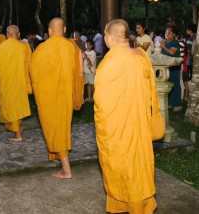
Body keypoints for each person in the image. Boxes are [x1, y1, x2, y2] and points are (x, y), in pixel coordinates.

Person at [94, 19, 159, 213]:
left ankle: (131, 205)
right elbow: (151, 90)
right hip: (140, 122)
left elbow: (101, 101)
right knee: (139, 165)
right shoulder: (140, 55)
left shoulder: (110, 62)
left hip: (119, 126)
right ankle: (131, 205)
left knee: (123, 165)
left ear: (110, 38)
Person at [29, 18, 84, 179]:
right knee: (62, 126)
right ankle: (56, 155)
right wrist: (78, 92)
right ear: (64, 29)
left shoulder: (42, 49)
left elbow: (33, 72)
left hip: (49, 95)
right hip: (66, 95)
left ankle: (66, 170)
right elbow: (80, 72)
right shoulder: (72, 46)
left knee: (55, 128)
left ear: (49, 30)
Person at [0, 25, 32, 142]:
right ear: (18, 34)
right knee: (17, 105)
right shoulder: (23, 46)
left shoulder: (3, 46)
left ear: (7, 34)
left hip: (8, 82)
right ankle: (19, 126)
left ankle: (18, 134)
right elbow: (29, 63)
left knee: (12, 106)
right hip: (20, 82)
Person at [160, 27, 182, 112]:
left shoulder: (175, 42)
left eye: (169, 33)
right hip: (166, 68)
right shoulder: (165, 42)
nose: (167, 34)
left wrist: (163, 47)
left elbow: (172, 52)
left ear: (173, 35)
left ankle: (178, 105)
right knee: (168, 85)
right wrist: (161, 46)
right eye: (166, 33)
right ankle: (169, 103)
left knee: (175, 85)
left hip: (174, 68)